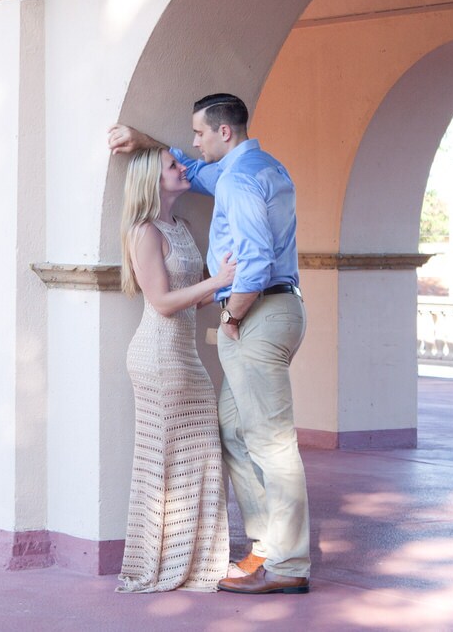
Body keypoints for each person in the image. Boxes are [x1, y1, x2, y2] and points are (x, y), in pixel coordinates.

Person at [108, 93, 310, 595]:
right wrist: (146, 143)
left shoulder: (238, 180)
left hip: (256, 310)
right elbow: (187, 169)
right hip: (270, 309)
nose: (191, 147)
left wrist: (233, 314)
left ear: (223, 133)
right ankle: (266, 545)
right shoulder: (257, 167)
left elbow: (255, 261)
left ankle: (288, 564)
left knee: (271, 442)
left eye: (198, 134)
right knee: (234, 431)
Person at [116, 147, 237, 593]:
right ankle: (161, 562)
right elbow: (163, 303)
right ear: (153, 179)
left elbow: (195, 296)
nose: (182, 169)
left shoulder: (181, 227)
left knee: (203, 455)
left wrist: (225, 289)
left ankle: (197, 560)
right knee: (163, 461)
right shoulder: (143, 232)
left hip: (184, 354)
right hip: (156, 357)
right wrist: (218, 281)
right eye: (172, 166)